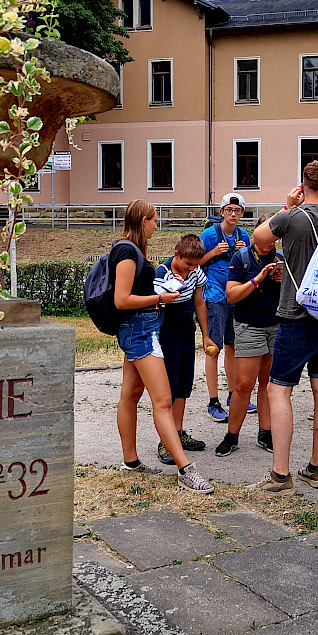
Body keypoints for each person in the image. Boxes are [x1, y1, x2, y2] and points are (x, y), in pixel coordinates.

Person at [247, 162, 318, 494]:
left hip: (296, 317)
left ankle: (281, 474)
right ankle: (316, 468)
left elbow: (259, 239)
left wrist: (287, 205)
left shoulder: (290, 217)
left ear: (302, 184)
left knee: (279, 390)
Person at [111, 200, 214, 494]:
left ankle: (130, 461)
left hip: (139, 329)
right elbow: (122, 300)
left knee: (130, 395)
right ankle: (186, 470)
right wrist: (160, 299)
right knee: (163, 401)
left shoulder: (131, 250)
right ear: (143, 220)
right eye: (155, 220)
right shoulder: (128, 251)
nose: (157, 225)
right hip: (140, 332)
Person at [217, 215, 284, 456]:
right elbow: (232, 296)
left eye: (274, 239)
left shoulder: (282, 259)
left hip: (276, 326)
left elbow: (297, 294)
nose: (269, 244)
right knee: (244, 384)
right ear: (256, 233)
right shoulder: (241, 258)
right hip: (249, 325)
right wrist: (258, 279)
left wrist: (283, 279)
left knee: (269, 384)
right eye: (265, 237)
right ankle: (231, 435)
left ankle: (265, 433)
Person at [153, 234, 216, 465]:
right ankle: (165, 441)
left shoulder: (196, 272)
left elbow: (199, 302)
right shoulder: (162, 274)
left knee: (182, 386)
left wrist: (205, 335)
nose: (191, 269)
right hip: (166, 334)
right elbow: (155, 304)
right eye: (188, 264)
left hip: (186, 332)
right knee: (167, 389)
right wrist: (167, 295)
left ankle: (177, 434)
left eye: (196, 265)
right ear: (177, 255)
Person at [199, 194, 252, 422]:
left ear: (241, 213)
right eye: (229, 209)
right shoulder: (210, 235)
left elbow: (251, 265)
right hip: (214, 297)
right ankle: (213, 401)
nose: (233, 214)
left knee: (232, 347)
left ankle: (233, 395)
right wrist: (213, 253)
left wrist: (244, 254)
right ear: (222, 212)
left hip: (235, 297)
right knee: (214, 348)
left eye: (237, 210)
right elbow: (193, 262)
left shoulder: (244, 236)